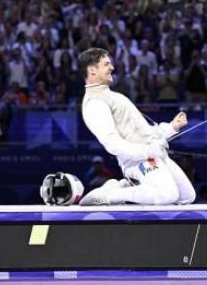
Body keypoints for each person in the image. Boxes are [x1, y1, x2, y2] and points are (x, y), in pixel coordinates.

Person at [77, 48, 196, 206]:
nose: (112, 67)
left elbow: (145, 131)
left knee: (187, 196)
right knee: (167, 194)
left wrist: (171, 128)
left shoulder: (115, 97)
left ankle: (131, 186)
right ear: (92, 70)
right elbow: (112, 144)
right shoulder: (95, 104)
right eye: (106, 64)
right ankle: (110, 195)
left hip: (154, 154)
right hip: (138, 160)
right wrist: (148, 151)